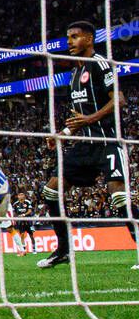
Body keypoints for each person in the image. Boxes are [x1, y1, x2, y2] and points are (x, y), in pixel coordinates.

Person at [38, 20, 137, 269]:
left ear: (89, 39)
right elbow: (78, 119)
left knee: (119, 199)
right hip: (84, 146)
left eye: (75, 36)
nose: (69, 41)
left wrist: (91, 119)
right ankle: (64, 250)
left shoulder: (101, 64)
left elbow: (120, 100)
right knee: (50, 192)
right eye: (68, 37)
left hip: (108, 142)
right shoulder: (73, 76)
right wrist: (62, 133)